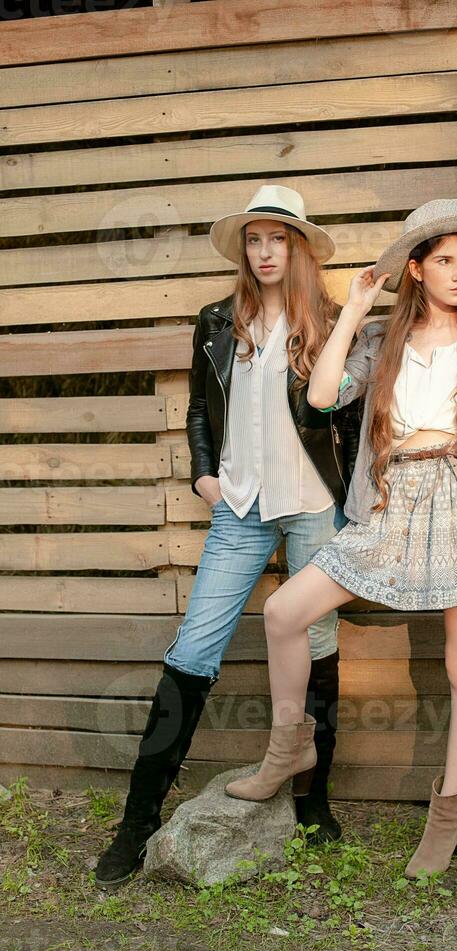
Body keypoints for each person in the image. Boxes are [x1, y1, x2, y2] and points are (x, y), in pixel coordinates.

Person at [223, 198, 457, 877]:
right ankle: (289, 748)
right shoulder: (379, 341)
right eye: (445, 261)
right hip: (392, 506)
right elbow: (322, 396)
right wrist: (359, 309)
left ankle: (448, 816)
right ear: (417, 270)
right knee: (283, 612)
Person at [94, 184, 362, 888]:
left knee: (318, 644)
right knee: (192, 651)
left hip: (312, 506)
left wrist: (357, 508)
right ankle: (136, 822)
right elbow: (198, 410)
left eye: (278, 238)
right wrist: (204, 476)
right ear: (244, 249)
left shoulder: (333, 322)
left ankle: (313, 804)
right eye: (255, 239)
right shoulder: (218, 320)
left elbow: (354, 425)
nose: (266, 251)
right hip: (238, 507)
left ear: (299, 246)